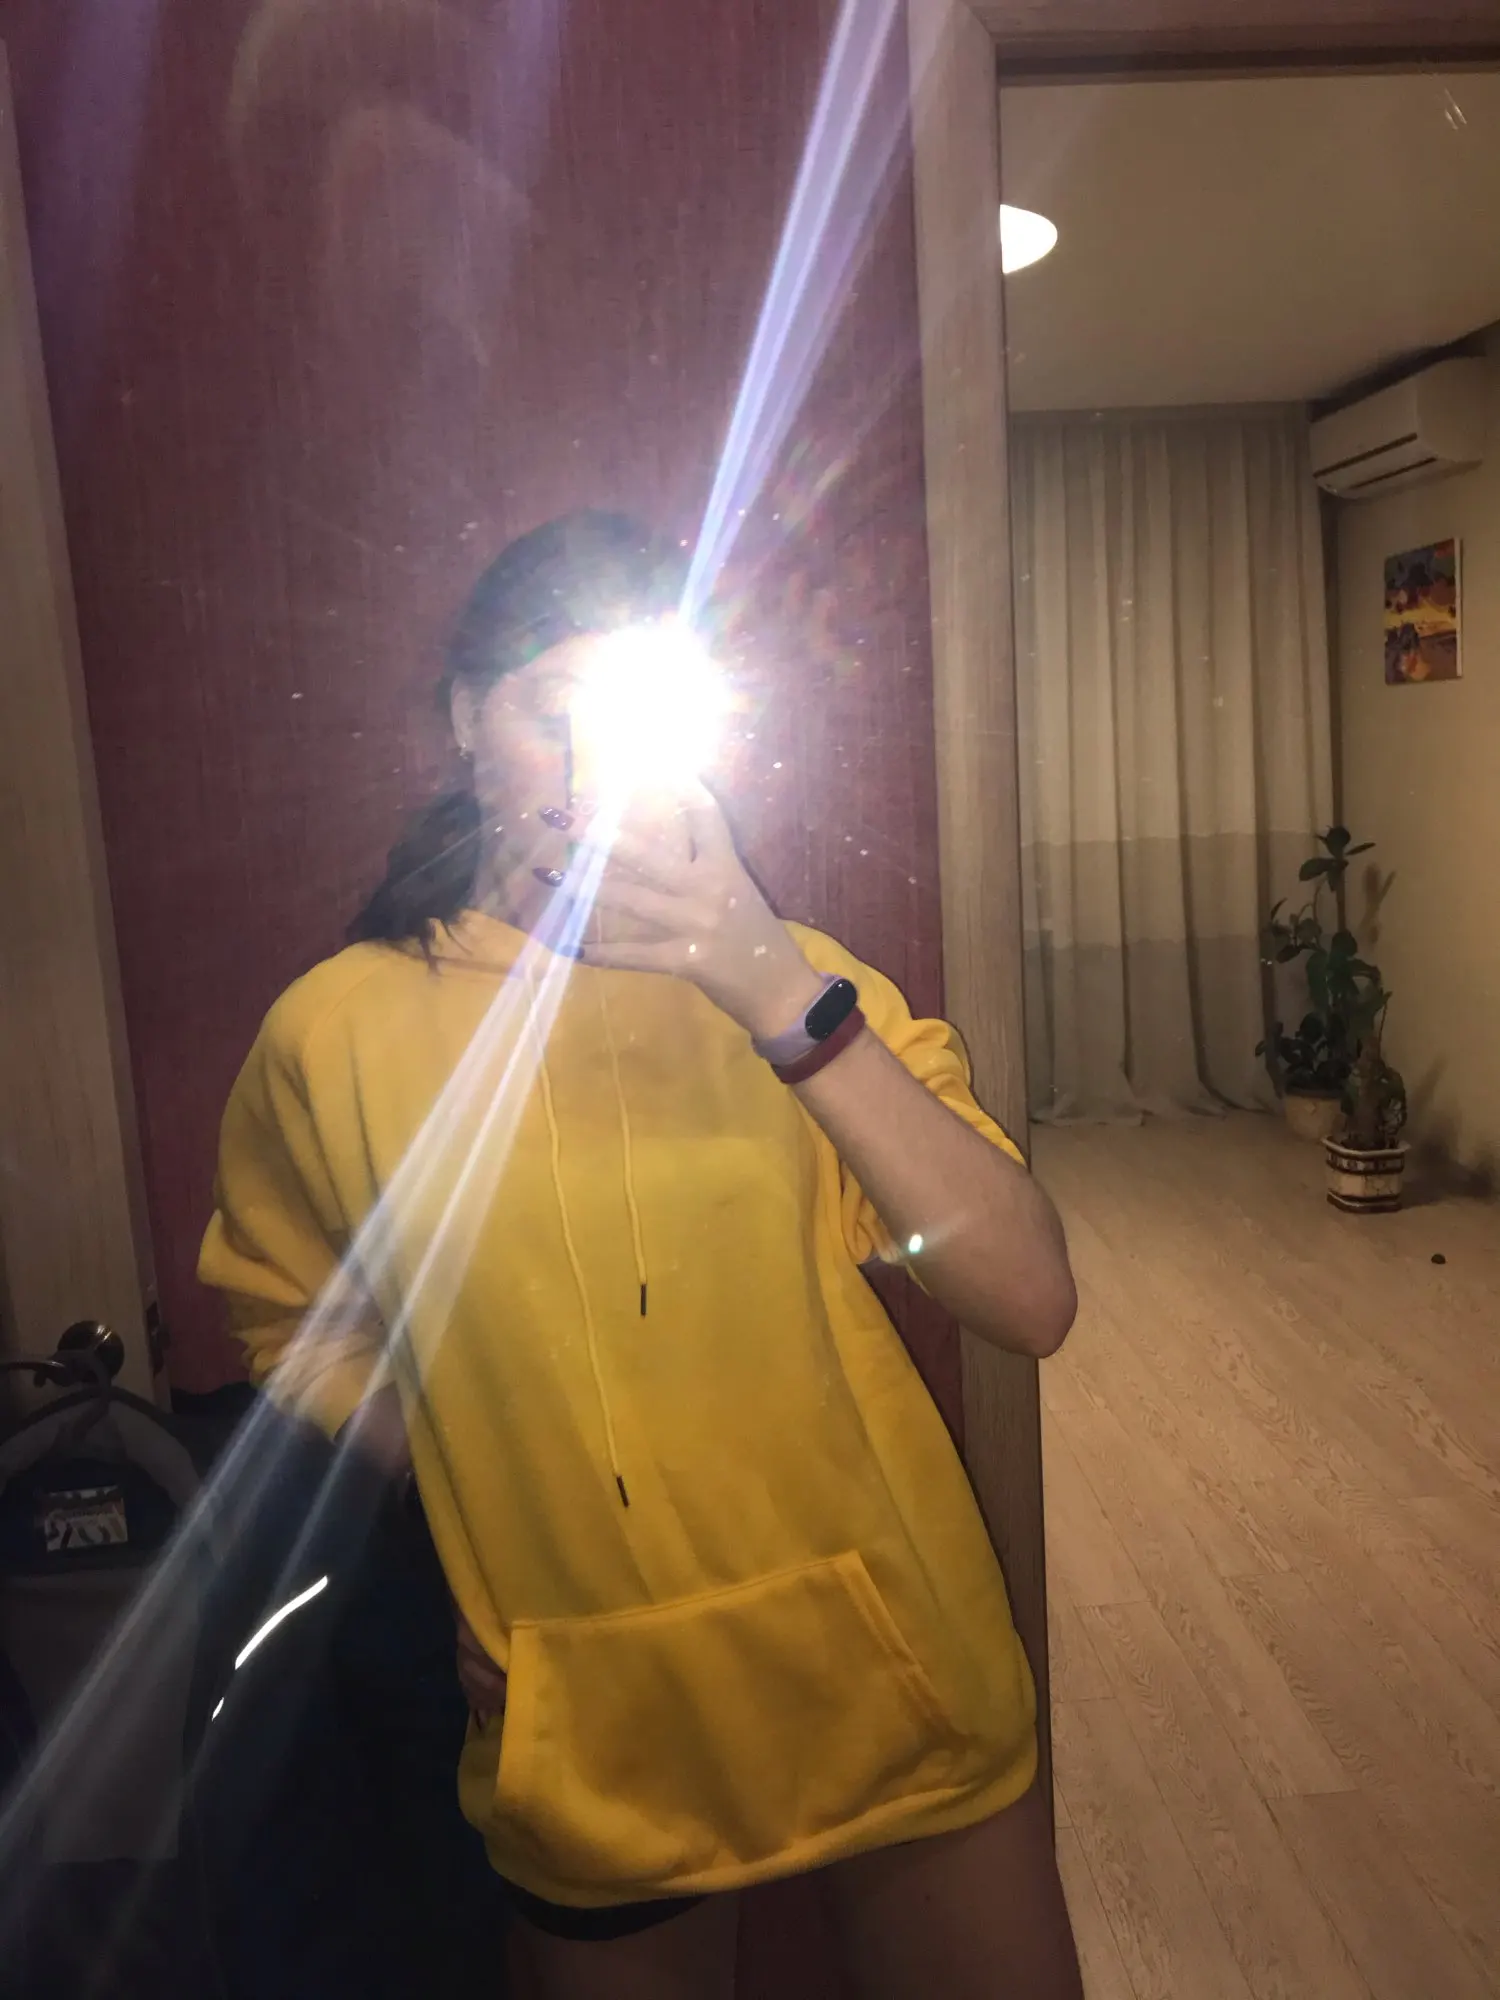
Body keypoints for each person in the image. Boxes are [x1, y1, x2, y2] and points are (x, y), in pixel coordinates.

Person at [199, 510, 1083, 2000]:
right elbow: (291, 1317)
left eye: (633, 714)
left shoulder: (807, 983)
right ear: (464, 722)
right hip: (585, 1726)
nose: (591, 767)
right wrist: (460, 1511)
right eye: (552, 708)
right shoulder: (332, 1034)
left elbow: (1030, 1299)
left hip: (894, 1676)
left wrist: (773, 992)